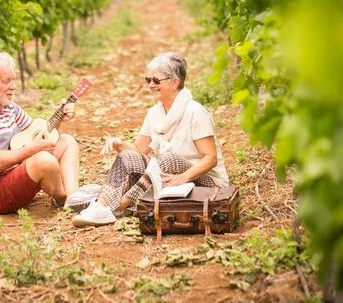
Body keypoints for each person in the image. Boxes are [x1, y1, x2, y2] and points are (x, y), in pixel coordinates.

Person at [72, 52, 229, 227]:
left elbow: (211, 158)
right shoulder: (155, 113)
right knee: (127, 157)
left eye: (156, 81)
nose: (150, 85)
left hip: (205, 182)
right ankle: (101, 206)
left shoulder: (195, 113)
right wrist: (120, 144)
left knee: (167, 159)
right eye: (148, 80)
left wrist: (183, 177)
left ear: (174, 82)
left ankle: (117, 208)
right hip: (170, 175)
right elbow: (139, 152)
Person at [0, 52, 80, 214]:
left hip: (11, 176)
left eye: (13, 79)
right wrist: (33, 150)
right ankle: (63, 198)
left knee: (67, 141)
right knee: (43, 160)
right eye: (6, 81)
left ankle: (75, 197)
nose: (13, 86)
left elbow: (35, 138)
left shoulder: (9, 107)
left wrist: (60, 120)